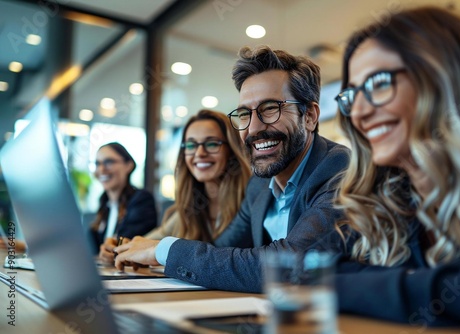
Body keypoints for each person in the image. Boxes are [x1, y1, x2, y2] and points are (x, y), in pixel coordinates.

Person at [114, 45, 350, 292]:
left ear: (310, 116)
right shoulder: (259, 185)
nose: (254, 128)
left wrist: (162, 250)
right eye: (245, 114)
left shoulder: (339, 170)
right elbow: (220, 252)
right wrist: (143, 250)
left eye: (270, 108)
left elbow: (290, 266)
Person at [332, 6, 460, 331]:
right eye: (352, 95)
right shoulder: (389, 193)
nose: (360, 112)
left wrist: (386, 285)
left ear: (440, 78)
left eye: (379, 83)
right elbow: (332, 270)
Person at [134, 109, 250, 241]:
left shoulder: (251, 202)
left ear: (232, 150)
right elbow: (146, 244)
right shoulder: (191, 207)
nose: (199, 153)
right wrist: (118, 246)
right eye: (191, 145)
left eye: (212, 144)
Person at [91, 142, 157, 259]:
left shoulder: (141, 200)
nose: (101, 169)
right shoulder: (104, 204)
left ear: (128, 165)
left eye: (108, 162)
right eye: (97, 163)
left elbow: (127, 243)